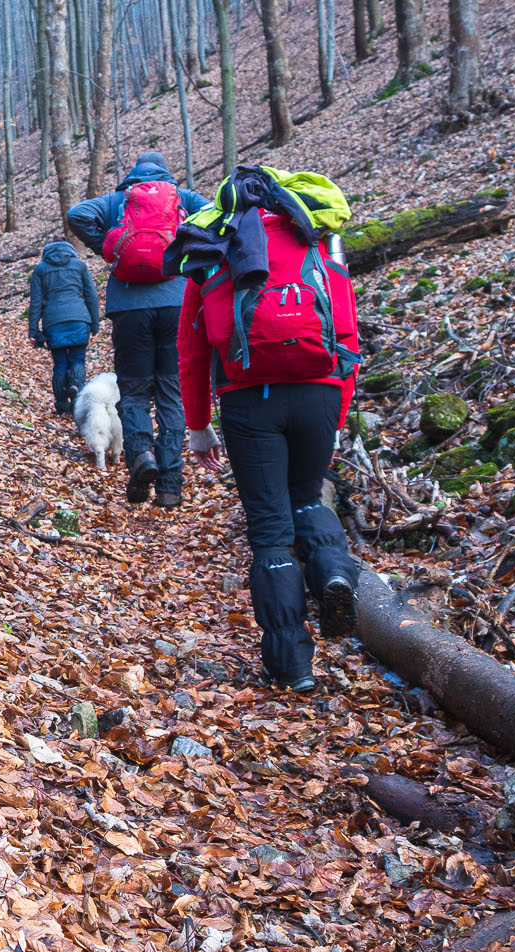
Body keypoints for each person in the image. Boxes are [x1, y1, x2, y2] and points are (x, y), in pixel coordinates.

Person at [172, 166, 361, 693]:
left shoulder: (212, 250)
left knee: (270, 531)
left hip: (248, 398)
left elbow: (191, 352)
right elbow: (347, 337)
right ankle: (333, 573)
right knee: (306, 496)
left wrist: (198, 428)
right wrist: (338, 415)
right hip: (318, 388)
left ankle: (293, 664)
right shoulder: (318, 243)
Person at [66, 151, 209, 508]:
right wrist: (187, 251)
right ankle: (171, 484)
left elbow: (76, 214)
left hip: (129, 306)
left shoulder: (118, 200)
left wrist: (110, 249)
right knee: (170, 392)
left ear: (133, 175)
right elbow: (217, 218)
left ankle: (141, 457)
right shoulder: (184, 198)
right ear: (167, 175)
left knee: (133, 392)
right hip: (177, 302)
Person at [26, 239, 102, 418]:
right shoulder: (80, 266)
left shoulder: (40, 270)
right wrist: (95, 325)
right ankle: (76, 388)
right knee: (78, 360)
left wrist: (33, 330)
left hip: (54, 322)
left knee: (60, 364)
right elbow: (91, 296)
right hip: (79, 319)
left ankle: (61, 405)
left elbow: (36, 302)